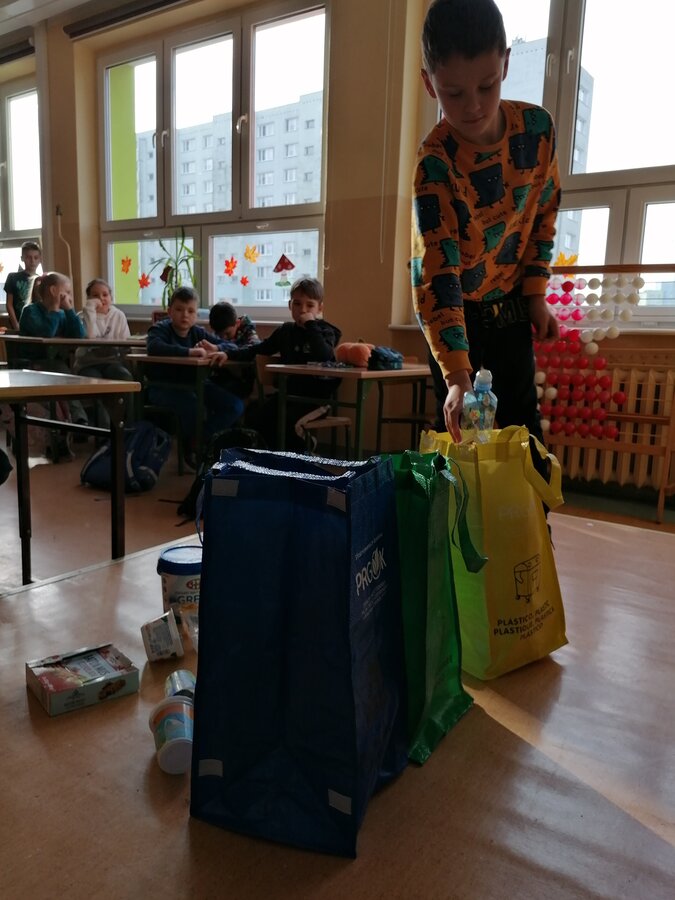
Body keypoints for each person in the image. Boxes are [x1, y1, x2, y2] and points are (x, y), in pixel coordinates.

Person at [411, 0, 561, 444]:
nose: (473, 106)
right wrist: (458, 376)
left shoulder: (537, 130)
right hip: (455, 307)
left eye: (487, 85)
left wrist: (536, 294)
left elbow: (544, 215)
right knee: (460, 432)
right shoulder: (434, 163)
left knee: (521, 425)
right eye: (454, 93)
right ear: (429, 83)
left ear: (506, 64)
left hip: (510, 299)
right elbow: (437, 271)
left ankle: (533, 497)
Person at [212, 277, 341, 451]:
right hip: (288, 396)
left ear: (320, 308)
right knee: (256, 417)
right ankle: (272, 458)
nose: (303, 310)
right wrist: (227, 353)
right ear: (290, 305)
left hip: (316, 400)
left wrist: (311, 324)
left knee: (288, 421)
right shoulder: (285, 331)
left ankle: (307, 447)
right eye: (297, 304)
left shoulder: (325, 331)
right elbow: (258, 349)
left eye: (310, 305)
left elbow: (323, 355)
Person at [145, 286, 245, 462]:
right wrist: (189, 352)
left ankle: (198, 441)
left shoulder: (197, 332)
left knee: (235, 406)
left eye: (190, 311)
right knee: (193, 406)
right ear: (169, 311)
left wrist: (216, 347)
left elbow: (233, 346)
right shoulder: (160, 329)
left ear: (196, 314)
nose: (185, 315)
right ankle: (195, 448)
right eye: (179, 309)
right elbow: (154, 347)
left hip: (195, 384)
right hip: (163, 386)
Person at [19, 271, 88, 429]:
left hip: (57, 363)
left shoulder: (62, 314)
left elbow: (79, 335)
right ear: (53, 291)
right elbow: (46, 333)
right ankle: (79, 420)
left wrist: (69, 310)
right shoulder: (30, 311)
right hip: (34, 363)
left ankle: (74, 421)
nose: (69, 296)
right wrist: (54, 308)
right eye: (67, 292)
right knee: (63, 373)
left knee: (66, 372)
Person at [74, 278, 133, 381]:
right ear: (88, 298)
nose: (101, 298)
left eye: (105, 295)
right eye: (95, 296)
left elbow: (126, 343)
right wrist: (90, 312)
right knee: (93, 380)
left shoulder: (118, 315)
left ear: (111, 297)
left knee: (124, 376)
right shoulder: (81, 317)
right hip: (87, 364)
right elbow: (89, 336)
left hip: (112, 362)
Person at [207, 301, 260, 400]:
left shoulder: (248, 332)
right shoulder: (215, 335)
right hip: (219, 377)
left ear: (237, 323)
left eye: (227, 333)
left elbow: (255, 347)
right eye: (219, 335)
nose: (224, 338)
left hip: (241, 382)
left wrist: (228, 353)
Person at [4, 240, 42, 330]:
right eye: (28, 257)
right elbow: (9, 304)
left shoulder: (41, 280)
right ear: (22, 258)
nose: (32, 261)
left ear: (40, 259)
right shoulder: (13, 277)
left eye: (36, 257)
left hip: (36, 325)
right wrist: (16, 325)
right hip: (18, 323)